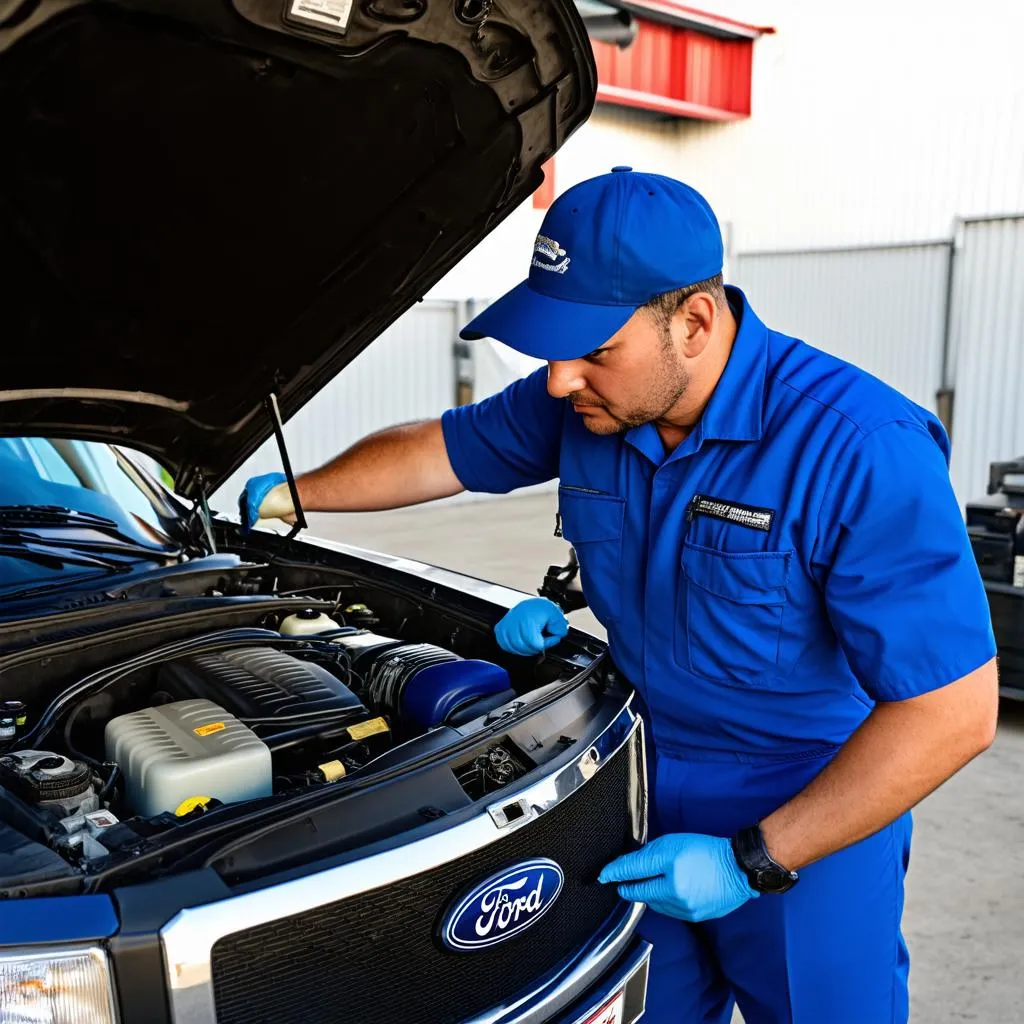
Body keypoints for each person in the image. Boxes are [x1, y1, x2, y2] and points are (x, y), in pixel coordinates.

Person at [239, 168, 998, 1023]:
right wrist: (293, 494)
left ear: (695, 323)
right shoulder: (587, 403)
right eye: (553, 349)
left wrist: (750, 861)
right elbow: (440, 451)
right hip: (628, 787)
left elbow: (952, 711)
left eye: (594, 351)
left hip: (811, 820)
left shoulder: (858, 447)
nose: (561, 381)